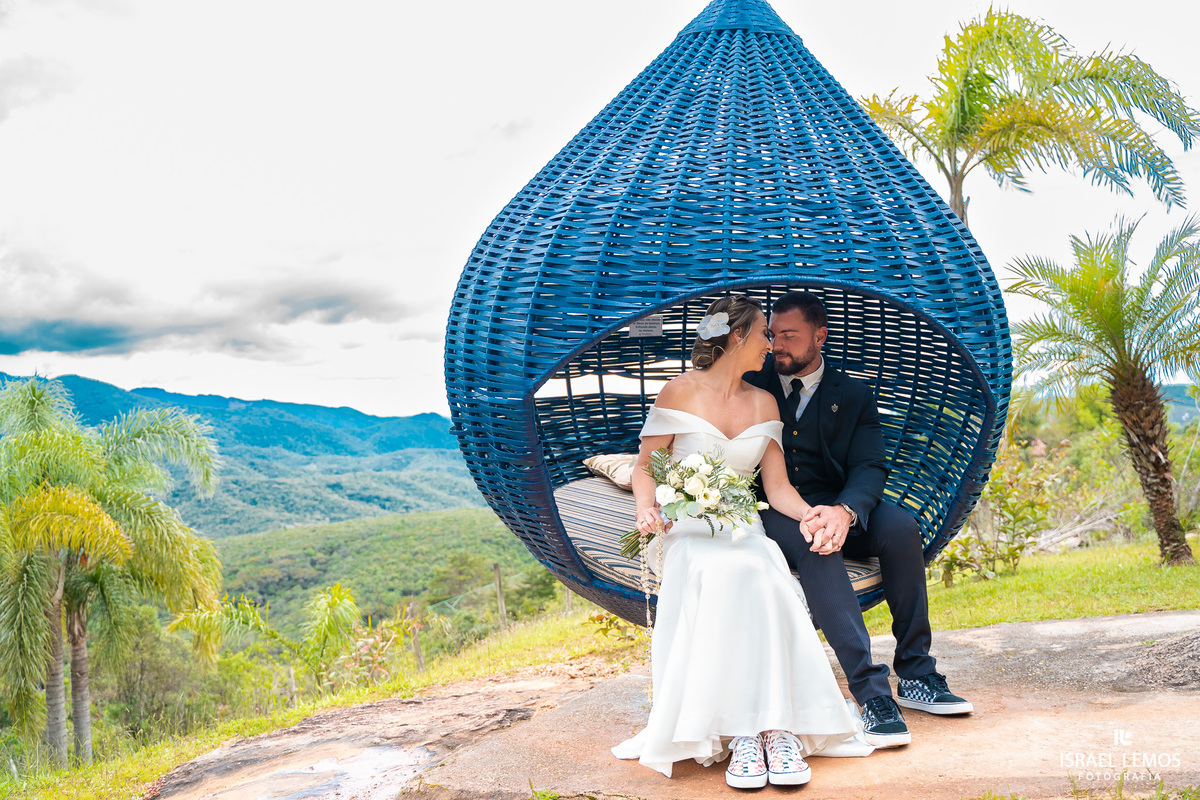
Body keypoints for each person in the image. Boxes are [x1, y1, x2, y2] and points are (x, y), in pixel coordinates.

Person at [611, 295, 873, 790]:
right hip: (686, 531)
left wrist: (812, 513)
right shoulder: (677, 393)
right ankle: (741, 733)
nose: (769, 346)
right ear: (736, 338)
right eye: (762, 336)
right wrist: (646, 508)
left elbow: (777, 490)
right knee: (724, 573)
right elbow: (645, 467)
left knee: (760, 566)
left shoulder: (764, 402)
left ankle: (775, 728)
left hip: (740, 526)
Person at [744, 290, 973, 749]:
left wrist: (846, 511)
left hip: (841, 503)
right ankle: (871, 695)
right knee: (818, 544)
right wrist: (818, 519)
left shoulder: (853, 394)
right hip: (776, 509)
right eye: (772, 335)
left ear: (820, 336)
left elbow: (870, 466)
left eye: (789, 335)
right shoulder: (753, 384)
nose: (777, 345)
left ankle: (916, 673)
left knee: (901, 528)